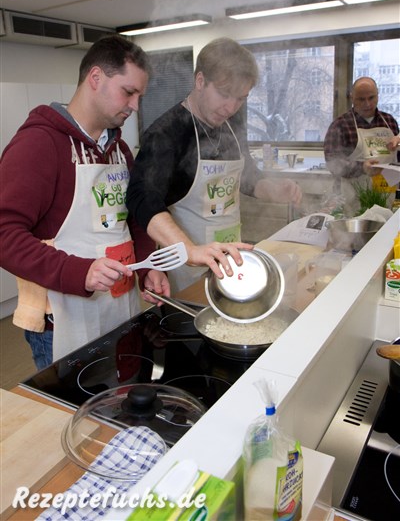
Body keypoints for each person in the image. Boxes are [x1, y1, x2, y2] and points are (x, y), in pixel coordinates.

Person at [0, 35, 170, 369]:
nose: (135, 106)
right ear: (96, 79)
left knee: (116, 405)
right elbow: (4, 233)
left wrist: (148, 265)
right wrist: (78, 271)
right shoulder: (40, 144)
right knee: (72, 414)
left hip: (119, 307)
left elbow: (132, 218)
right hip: (63, 320)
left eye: (140, 95)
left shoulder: (118, 149)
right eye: (129, 92)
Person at [127, 37, 302, 292]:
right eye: (224, 94)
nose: (231, 107)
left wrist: (274, 190)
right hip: (185, 271)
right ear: (200, 81)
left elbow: (247, 177)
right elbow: (141, 198)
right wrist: (189, 250)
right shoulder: (167, 133)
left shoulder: (232, 125)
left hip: (231, 260)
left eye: (240, 98)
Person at [324, 76, 400, 180]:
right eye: (361, 99)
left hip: (388, 192)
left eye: (371, 98)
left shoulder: (389, 121)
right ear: (352, 98)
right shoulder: (340, 125)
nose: (367, 104)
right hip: (353, 193)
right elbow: (333, 162)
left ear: (377, 95)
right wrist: (361, 167)